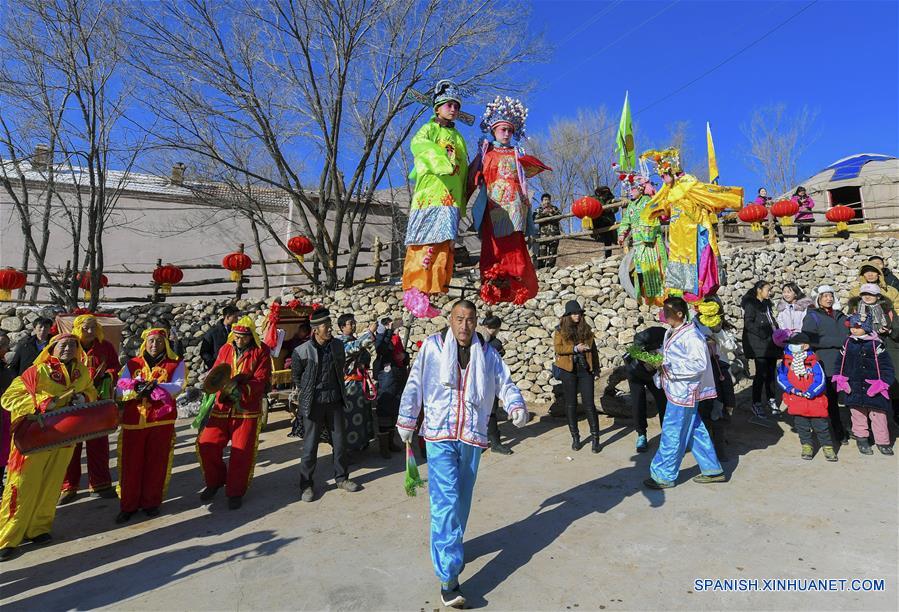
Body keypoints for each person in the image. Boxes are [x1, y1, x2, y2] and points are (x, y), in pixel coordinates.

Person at [396, 300, 528, 608]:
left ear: (476, 321)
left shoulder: (488, 353)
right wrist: (406, 419)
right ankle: (448, 577)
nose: (464, 326)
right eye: (459, 319)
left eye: (470, 320)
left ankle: (451, 548)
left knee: (462, 501)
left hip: (471, 437)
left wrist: (516, 404)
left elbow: (503, 383)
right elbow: (415, 384)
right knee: (447, 503)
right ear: (450, 320)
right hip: (439, 435)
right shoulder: (432, 348)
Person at [0, 334, 98, 562]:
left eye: (73, 345)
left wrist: (84, 397)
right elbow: (8, 398)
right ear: (52, 348)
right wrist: (42, 402)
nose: (68, 348)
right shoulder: (38, 371)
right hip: (32, 442)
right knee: (21, 488)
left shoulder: (81, 372)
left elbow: (92, 391)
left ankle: (39, 528)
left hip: (63, 440)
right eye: (63, 345)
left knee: (52, 484)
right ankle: (7, 538)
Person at [468, 96, 549, 305]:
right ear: (493, 130)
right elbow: (476, 173)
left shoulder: (517, 152)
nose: (506, 134)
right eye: (502, 129)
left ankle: (517, 286)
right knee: (494, 247)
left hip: (514, 206)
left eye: (510, 130)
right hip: (493, 205)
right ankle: (492, 285)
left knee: (514, 247)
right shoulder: (486, 153)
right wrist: (478, 177)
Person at [402, 79, 469, 318]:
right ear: (438, 107)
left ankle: (431, 291)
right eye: (448, 104)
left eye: (456, 105)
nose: (453, 109)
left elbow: (464, 169)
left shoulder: (459, 138)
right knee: (425, 242)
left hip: (450, 199)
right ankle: (414, 291)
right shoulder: (428, 129)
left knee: (443, 245)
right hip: (430, 195)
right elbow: (418, 145)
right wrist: (441, 161)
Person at [642, 148, 743, 301]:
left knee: (698, 261)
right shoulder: (668, 191)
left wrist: (731, 200)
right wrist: (653, 202)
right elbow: (664, 210)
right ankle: (681, 295)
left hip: (694, 232)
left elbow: (709, 194)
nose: (662, 178)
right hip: (677, 234)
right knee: (678, 262)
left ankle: (699, 294)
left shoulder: (688, 185)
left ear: (672, 170)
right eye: (660, 175)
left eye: (664, 174)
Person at [644, 297, 724, 489]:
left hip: (684, 392)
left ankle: (664, 474)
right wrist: (655, 358)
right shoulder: (672, 332)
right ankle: (712, 469)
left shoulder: (692, 336)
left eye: (668, 312)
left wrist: (668, 367)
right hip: (677, 389)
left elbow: (699, 364)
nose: (664, 315)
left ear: (679, 314)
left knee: (673, 432)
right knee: (694, 429)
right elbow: (669, 354)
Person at [196, 316, 271, 509]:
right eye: (236, 336)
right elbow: (217, 371)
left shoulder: (261, 351)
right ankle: (215, 481)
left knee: (241, 452)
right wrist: (212, 381)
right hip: (222, 407)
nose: (239, 340)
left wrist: (242, 389)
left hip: (246, 409)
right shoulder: (225, 349)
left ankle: (235, 491)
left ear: (251, 336)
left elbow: (261, 379)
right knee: (207, 444)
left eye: (244, 337)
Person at [114, 328, 186, 523]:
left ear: (166, 344)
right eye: (151, 341)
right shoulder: (132, 364)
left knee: (157, 461)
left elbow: (179, 385)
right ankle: (128, 505)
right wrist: (135, 388)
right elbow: (120, 388)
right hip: (133, 420)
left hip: (161, 420)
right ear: (145, 343)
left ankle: (151, 502)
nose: (155, 345)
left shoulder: (175, 363)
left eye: (159, 342)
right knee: (131, 464)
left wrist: (156, 387)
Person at [291, 308, 360, 502]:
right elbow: (297, 376)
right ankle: (306, 485)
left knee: (340, 443)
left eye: (330, 325)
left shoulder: (337, 346)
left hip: (335, 402)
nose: (330, 329)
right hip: (313, 404)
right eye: (326, 326)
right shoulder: (301, 351)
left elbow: (341, 368)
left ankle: (342, 478)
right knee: (310, 447)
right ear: (315, 330)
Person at [60, 314, 118, 503]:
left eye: (94, 327)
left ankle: (100, 484)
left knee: (98, 444)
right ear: (78, 328)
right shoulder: (71, 346)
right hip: (73, 403)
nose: (90, 331)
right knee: (71, 445)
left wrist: (107, 376)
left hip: (97, 403)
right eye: (86, 328)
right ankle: (69, 487)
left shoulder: (105, 347)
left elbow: (115, 368)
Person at [832, 314, 895, 455]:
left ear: (865, 328)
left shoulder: (876, 344)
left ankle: (883, 441)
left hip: (874, 387)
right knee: (857, 414)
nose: (853, 330)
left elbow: (886, 366)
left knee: (878, 415)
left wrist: (884, 382)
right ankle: (862, 439)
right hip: (853, 386)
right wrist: (840, 377)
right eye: (852, 327)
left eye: (857, 327)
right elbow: (839, 362)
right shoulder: (848, 343)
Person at [801, 285, 851, 445]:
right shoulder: (812, 316)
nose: (828, 299)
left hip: (844, 362)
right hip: (825, 363)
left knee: (848, 397)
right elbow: (810, 339)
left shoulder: (841, 316)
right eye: (825, 296)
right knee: (831, 398)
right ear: (818, 299)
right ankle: (837, 430)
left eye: (830, 295)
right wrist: (839, 342)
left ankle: (855, 428)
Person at [776, 333, 837, 461]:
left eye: (795, 344)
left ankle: (827, 447)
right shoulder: (786, 362)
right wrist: (790, 389)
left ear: (805, 346)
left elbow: (820, 380)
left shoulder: (813, 362)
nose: (792, 346)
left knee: (821, 427)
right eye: (791, 344)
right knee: (802, 427)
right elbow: (781, 377)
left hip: (815, 401)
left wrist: (812, 391)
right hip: (797, 400)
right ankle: (807, 446)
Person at [553, 300, 601, 453]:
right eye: (574, 313)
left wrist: (597, 368)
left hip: (585, 370)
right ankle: (575, 437)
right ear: (568, 315)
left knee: (589, 405)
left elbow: (594, 351)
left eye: (579, 313)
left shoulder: (586, 329)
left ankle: (595, 439)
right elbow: (558, 348)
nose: (577, 316)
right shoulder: (560, 330)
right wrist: (574, 348)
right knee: (571, 405)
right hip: (568, 370)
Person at [694, 299, 737, 461]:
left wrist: (718, 331)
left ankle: (718, 445)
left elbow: (730, 346)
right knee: (705, 411)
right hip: (704, 374)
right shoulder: (694, 324)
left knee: (718, 411)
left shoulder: (720, 325)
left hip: (720, 372)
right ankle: (709, 447)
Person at [617, 176, 667, 306]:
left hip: (650, 241)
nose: (630, 192)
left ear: (640, 189)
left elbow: (655, 217)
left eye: (632, 189)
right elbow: (626, 221)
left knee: (654, 267)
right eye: (629, 189)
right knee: (641, 270)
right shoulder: (631, 206)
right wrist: (622, 234)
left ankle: (660, 296)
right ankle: (646, 296)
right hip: (638, 243)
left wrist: (647, 234)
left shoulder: (648, 201)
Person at [335, 313, 378, 454]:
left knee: (363, 415)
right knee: (350, 418)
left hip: (360, 383)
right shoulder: (340, 342)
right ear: (342, 327)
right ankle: (347, 450)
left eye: (354, 322)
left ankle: (361, 444)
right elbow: (354, 348)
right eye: (350, 323)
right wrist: (369, 333)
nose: (353, 325)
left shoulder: (353, 339)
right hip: (349, 385)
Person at [740, 281, 781, 426]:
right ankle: (756, 403)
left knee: (771, 373)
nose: (769, 292)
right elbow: (749, 323)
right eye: (767, 290)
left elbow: (772, 321)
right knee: (761, 374)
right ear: (759, 290)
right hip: (759, 345)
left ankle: (771, 399)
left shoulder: (767, 305)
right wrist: (762, 333)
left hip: (771, 344)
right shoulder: (752, 305)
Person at [625, 326, 667, 453]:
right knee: (638, 402)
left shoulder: (673, 338)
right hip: (635, 372)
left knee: (663, 402)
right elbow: (635, 350)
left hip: (654, 374)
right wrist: (653, 360)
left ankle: (666, 435)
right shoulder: (651, 334)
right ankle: (641, 435)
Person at [372, 316, 409, 459]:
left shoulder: (396, 338)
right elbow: (381, 349)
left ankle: (391, 441)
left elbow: (404, 354)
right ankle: (383, 446)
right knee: (385, 408)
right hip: (387, 376)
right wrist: (387, 332)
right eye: (388, 324)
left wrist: (404, 356)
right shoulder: (381, 337)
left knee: (395, 408)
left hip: (398, 374)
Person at [482, 314, 513, 455]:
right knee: (490, 412)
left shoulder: (483, 338)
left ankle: (488, 442)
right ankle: (493, 443)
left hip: (488, 381)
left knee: (488, 412)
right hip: (484, 381)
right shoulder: (485, 341)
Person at [199, 304, 240, 370]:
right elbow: (204, 352)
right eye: (235, 317)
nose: (237, 320)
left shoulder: (237, 331)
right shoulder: (213, 332)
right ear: (227, 317)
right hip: (218, 369)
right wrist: (213, 364)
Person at [0, 334, 15, 490]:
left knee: (3, 451)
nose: (3, 348)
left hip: (4, 413)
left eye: (4, 345)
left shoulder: (4, 365)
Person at [534, 193, 561, 268]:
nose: (547, 201)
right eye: (545, 200)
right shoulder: (539, 209)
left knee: (553, 253)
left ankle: (551, 269)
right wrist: (543, 213)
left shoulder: (555, 208)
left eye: (548, 199)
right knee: (542, 252)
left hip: (554, 234)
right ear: (542, 201)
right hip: (543, 235)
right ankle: (541, 269)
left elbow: (560, 216)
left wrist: (551, 212)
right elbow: (535, 218)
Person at [591, 186, 617, 258]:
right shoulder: (594, 199)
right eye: (603, 193)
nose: (605, 195)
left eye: (606, 193)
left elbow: (615, 210)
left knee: (608, 239)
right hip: (598, 220)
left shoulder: (611, 199)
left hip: (608, 221)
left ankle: (608, 256)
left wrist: (609, 208)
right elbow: (592, 207)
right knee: (602, 235)